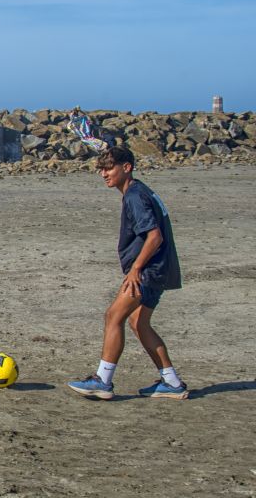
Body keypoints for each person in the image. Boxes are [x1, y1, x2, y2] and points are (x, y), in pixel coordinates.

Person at [67, 146, 187, 400]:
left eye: (109, 168)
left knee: (113, 316)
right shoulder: (141, 190)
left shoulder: (134, 195)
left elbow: (154, 237)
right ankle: (172, 383)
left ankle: (103, 380)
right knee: (138, 322)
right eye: (101, 169)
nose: (103, 174)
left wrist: (135, 269)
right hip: (161, 270)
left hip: (149, 270)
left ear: (127, 167)